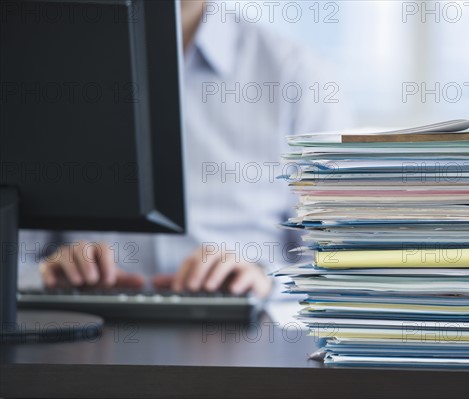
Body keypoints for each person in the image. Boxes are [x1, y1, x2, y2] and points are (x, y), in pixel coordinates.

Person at [23, 0, 350, 298]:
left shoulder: (300, 77)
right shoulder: (46, 66)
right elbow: (18, 251)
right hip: (80, 331)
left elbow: (339, 261)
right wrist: (45, 272)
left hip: (245, 334)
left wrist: (266, 280)